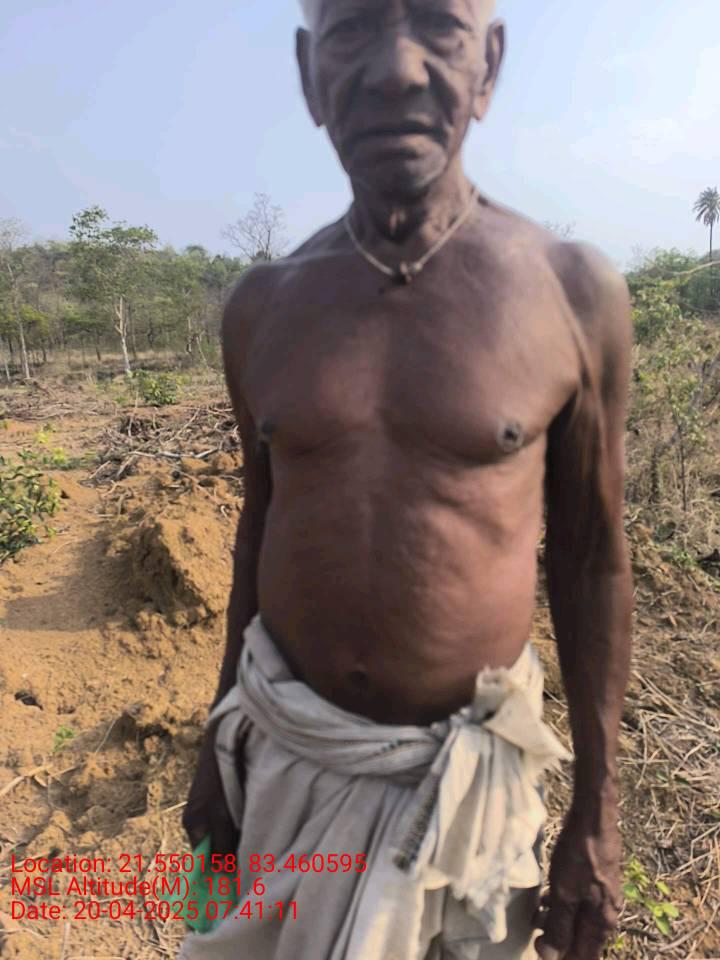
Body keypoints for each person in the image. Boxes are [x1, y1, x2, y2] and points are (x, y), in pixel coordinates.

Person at [180, 0, 634, 957]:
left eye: (437, 24)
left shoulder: (569, 294)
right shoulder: (264, 308)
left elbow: (592, 559)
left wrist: (598, 807)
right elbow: (259, 532)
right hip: (291, 764)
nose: (395, 69)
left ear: (489, 64)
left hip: (466, 802)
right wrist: (219, 741)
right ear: (309, 75)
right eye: (351, 29)